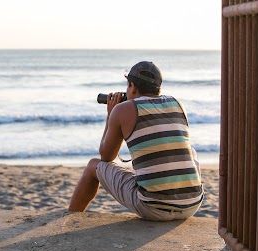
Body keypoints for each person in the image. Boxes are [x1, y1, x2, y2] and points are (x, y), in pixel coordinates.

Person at [68, 61, 203, 221]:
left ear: (132, 86)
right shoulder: (177, 104)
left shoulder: (122, 110)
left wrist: (111, 115)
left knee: (93, 165)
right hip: (192, 204)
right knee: (190, 151)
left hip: (153, 207)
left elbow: (106, 157)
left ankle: (69, 219)